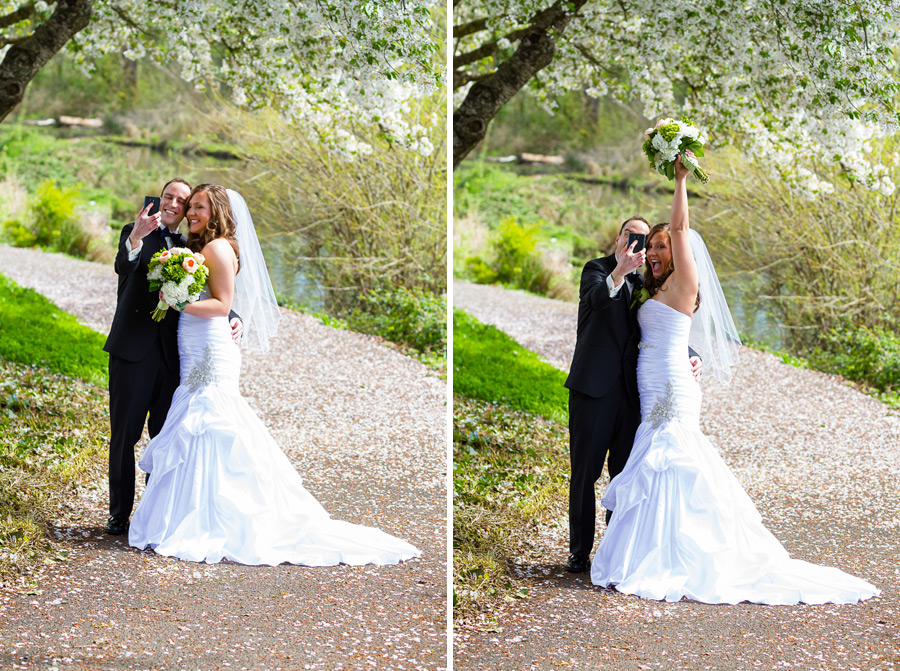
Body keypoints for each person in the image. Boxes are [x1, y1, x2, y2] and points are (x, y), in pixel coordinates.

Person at [590, 158, 879, 604]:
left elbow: (682, 229)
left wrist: (680, 180)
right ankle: (653, 549)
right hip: (652, 385)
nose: (655, 252)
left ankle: (676, 555)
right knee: (655, 459)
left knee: (673, 458)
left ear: (679, 252)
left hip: (672, 388)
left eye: (663, 246)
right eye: (652, 247)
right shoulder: (655, 288)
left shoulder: (684, 282)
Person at [127, 185, 420, 566]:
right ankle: (194, 511)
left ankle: (210, 518)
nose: (192, 212)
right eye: (191, 206)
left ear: (217, 213)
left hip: (209, 346)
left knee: (210, 419)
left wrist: (178, 301)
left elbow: (222, 305)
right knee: (198, 421)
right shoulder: (205, 247)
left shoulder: (216, 248)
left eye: (200, 207)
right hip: (196, 342)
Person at [103, 179, 241, 536]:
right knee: (124, 435)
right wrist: (136, 237)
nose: (175, 204)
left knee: (165, 437)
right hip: (132, 353)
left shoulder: (190, 246)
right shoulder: (135, 233)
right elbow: (123, 266)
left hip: (174, 358)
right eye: (169, 197)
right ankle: (119, 513)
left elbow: (209, 290)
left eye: (184, 201)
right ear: (160, 199)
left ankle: (154, 513)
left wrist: (231, 316)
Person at [563, 216, 700, 573]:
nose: (638, 243)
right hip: (593, 392)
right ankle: (579, 551)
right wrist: (619, 272)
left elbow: (663, 324)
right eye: (631, 235)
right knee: (585, 474)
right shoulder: (597, 270)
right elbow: (596, 300)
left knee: (624, 475)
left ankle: (615, 550)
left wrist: (691, 354)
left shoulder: (645, 283)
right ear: (618, 237)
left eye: (645, 239)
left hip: (632, 396)